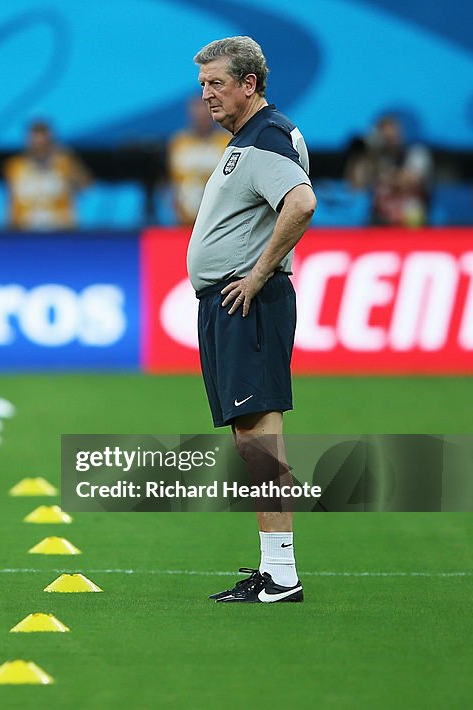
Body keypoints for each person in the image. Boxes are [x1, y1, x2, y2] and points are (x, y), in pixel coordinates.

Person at [186, 36, 317, 603]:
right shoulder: (253, 139)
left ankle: (282, 576)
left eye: (217, 84)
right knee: (252, 439)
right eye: (203, 86)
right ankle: (274, 571)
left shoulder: (264, 138)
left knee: (261, 440)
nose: (208, 96)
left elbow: (302, 202)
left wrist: (260, 273)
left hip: (247, 302)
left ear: (249, 84)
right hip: (231, 303)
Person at [345, 114, 433, 226]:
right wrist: (361, 157)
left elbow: (410, 180)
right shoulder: (375, 158)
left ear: (400, 133)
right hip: (379, 222)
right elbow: (355, 185)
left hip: (411, 221)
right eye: (385, 137)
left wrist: (381, 173)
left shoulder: (416, 153)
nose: (389, 140)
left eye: (392, 135)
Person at [3, 120, 91, 230]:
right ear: (28, 141)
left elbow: (86, 187)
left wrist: (70, 159)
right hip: (26, 231)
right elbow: (10, 202)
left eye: (43, 141)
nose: (39, 146)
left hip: (60, 230)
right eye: (35, 141)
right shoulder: (15, 166)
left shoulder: (64, 163)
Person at [168, 96, 231, 225]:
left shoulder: (226, 141)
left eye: (204, 114)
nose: (201, 118)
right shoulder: (178, 142)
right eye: (197, 113)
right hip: (183, 220)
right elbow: (169, 180)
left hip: (217, 220)